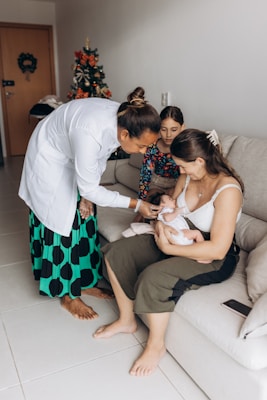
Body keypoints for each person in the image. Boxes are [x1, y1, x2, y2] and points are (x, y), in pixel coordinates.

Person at [93, 128, 244, 377]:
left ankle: (155, 345)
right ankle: (126, 320)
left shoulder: (228, 190)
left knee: (154, 278)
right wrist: (161, 225)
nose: (179, 172)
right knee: (115, 252)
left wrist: (168, 248)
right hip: (176, 234)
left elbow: (218, 248)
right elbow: (169, 208)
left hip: (210, 254)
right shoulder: (187, 177)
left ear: (199, 161)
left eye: (183, 166)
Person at [18, 87, 161, 320]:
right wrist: (136, 204)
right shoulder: (90, 131)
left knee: (85, 215)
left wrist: (87, 195)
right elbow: (92, 158)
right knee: (61, 223)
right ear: (125, 135)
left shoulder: (122, 118)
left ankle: (84, 282)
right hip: (50, 157)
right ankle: (67, 296)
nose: (144, 152)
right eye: (142, 146)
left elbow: (100, 157)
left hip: (72, 152)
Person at [138, 105, 185, 200]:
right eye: (163, 129)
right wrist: (141, 203)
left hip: (178, 185)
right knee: (152, 200)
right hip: (157, 185)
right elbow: (145, 176)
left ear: (182, 128)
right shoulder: (152, 147)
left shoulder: (185, 147)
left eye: (174, 130)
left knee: (169, 201)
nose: (168, 135)